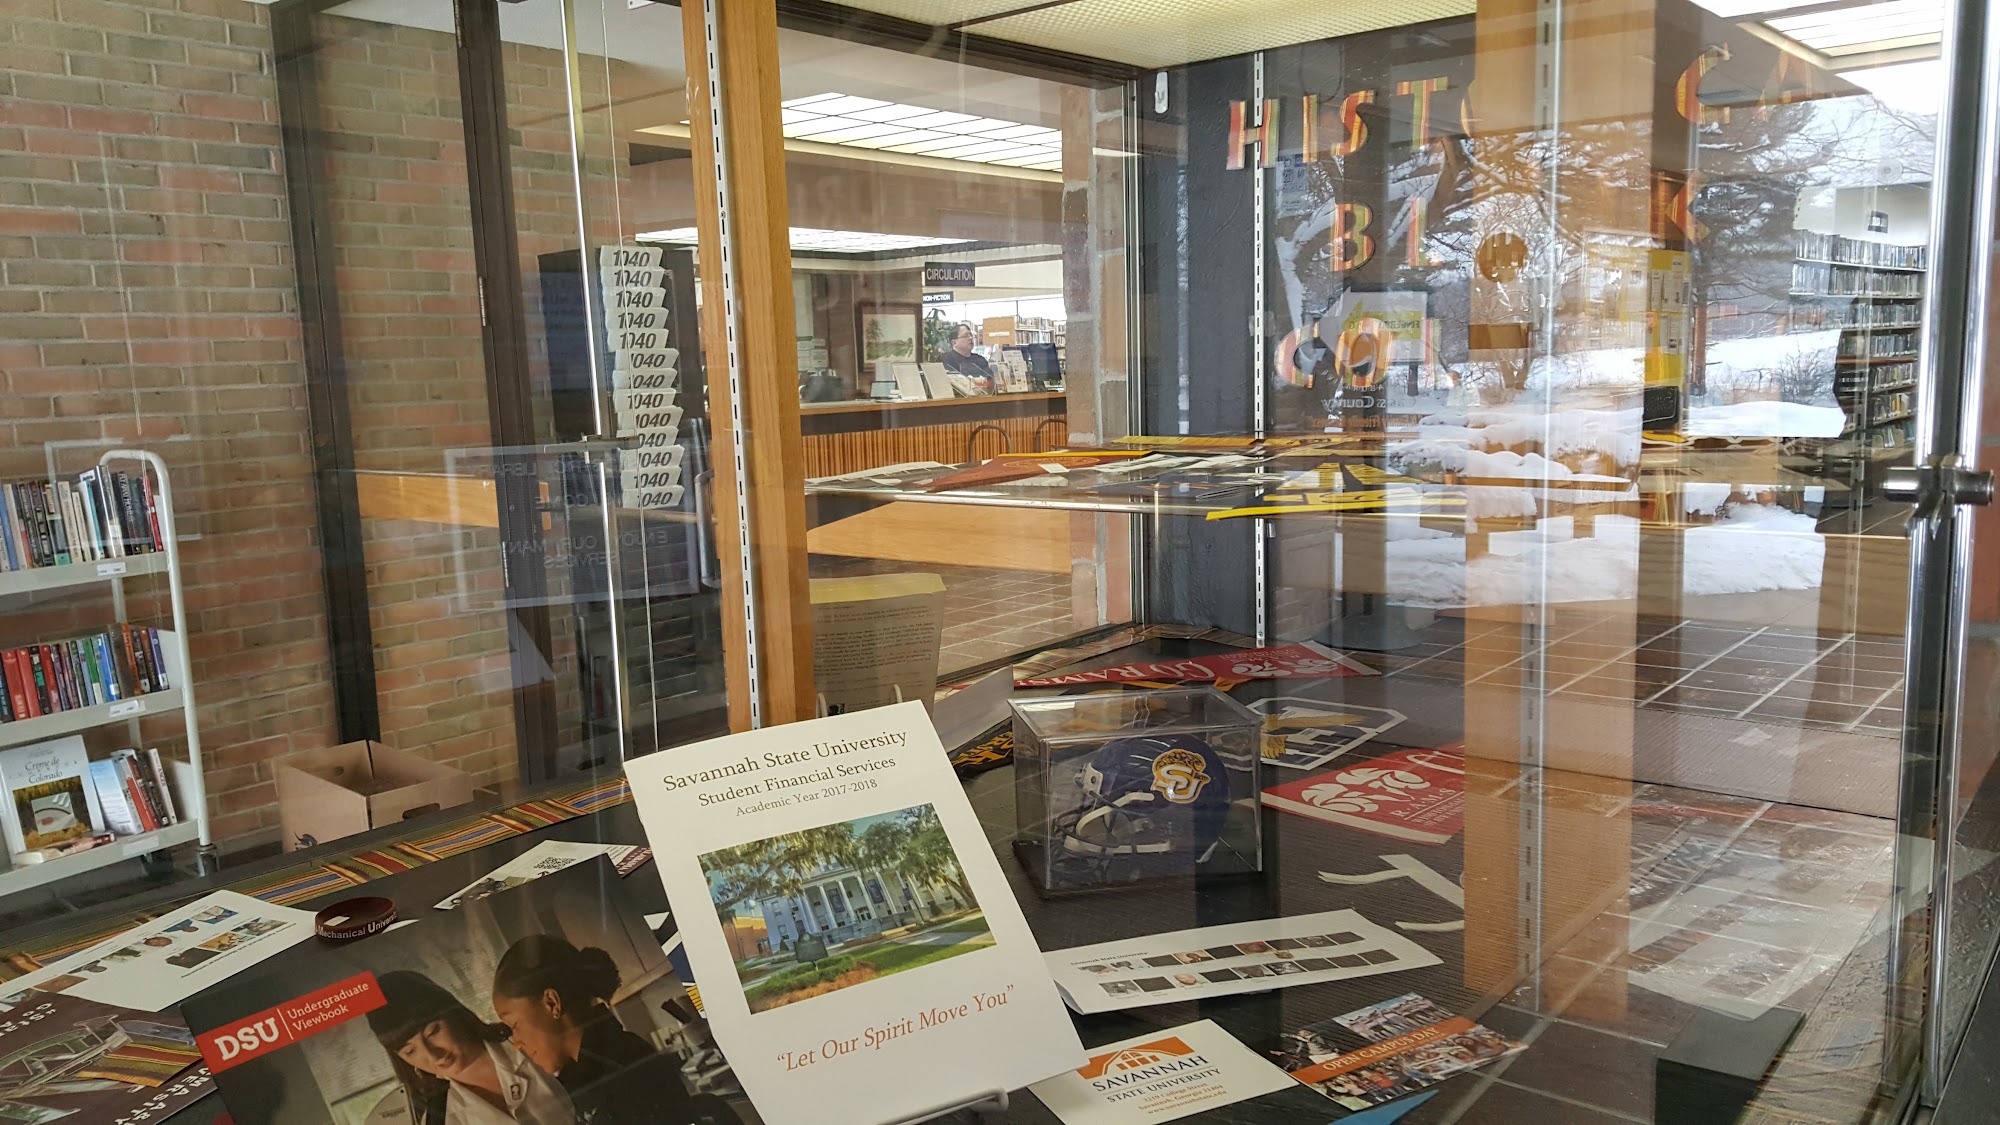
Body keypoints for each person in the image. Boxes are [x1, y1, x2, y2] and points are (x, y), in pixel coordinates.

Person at [492, 935, 737, 1125]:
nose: (518, 1044)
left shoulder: (625, 1066)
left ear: (551, 1003)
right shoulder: (575, 1079)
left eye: (514, 1026)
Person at [368, 970, 575, 1125]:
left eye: (433, 1032)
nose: (433, 1055)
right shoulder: (436, 1119)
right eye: (410, 1051)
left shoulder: (531, 1045)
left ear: (452, 1012)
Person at [937, 323, 991, 387]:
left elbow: (989, 383)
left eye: (971, 335)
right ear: (954, 343)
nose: (970, 338)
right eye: (965, 336)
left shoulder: (981, 360)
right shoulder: (945, 360)